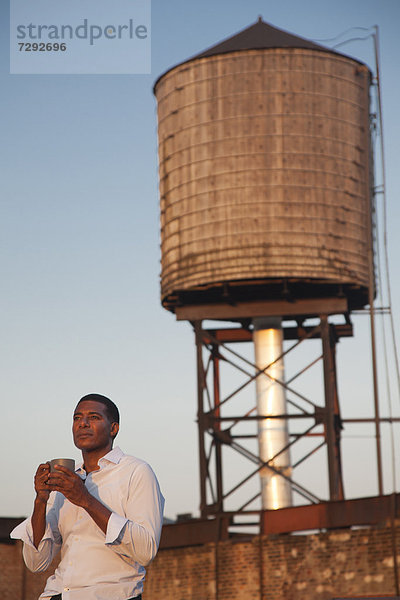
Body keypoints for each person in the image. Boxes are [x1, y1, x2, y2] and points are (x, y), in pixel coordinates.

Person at [11, 393, 165, 600]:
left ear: (114, 428)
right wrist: (41, 500)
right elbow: (37, 562)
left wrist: (85, 499)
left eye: (93, 417)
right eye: (77, 418)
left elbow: (146, 550)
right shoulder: (69, 479)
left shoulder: (136, 472)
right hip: (56, 594)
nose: (83, 423)